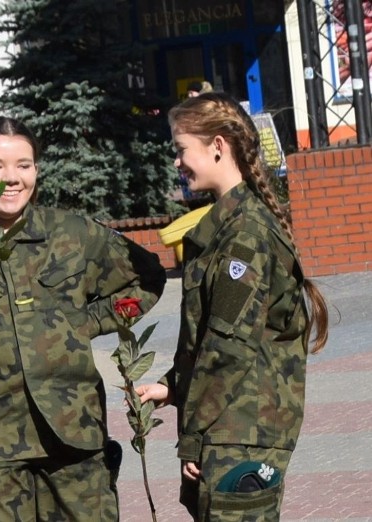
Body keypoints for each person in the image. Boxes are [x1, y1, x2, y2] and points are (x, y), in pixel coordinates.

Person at [0, 116, 167, 520]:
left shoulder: (73, 234)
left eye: (24, 165)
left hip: (74, 441)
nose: (12, 178)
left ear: (36, 170)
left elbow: (146, 277)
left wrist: (84, 322)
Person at [136, 92, 329, 520]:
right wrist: (174, 385)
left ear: (218, 146)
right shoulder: (230, 223)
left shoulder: (244, 233)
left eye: (182, 149)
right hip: (231, 424)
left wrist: (195, 436)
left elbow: (228, 348)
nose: (177, 162)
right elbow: (218, 333)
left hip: (238, 430)